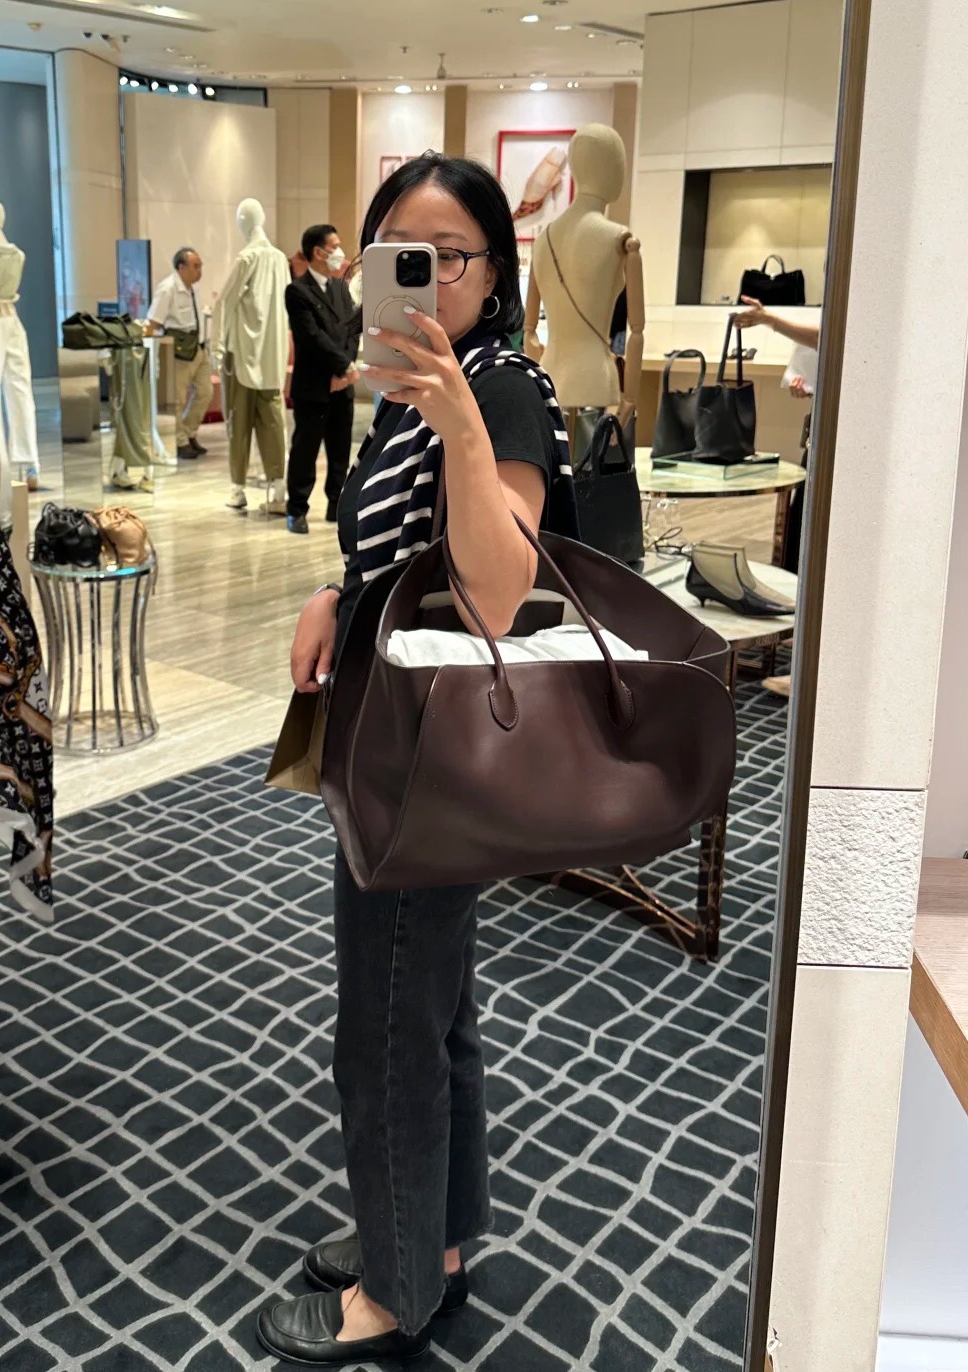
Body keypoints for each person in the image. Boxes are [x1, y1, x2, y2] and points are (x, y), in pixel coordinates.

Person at [257, 156, 578, 1366]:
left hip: (432, 753)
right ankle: (432, 1238)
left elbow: (498, 591)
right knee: (429, 1007)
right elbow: (392, 552)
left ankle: (394, 1294)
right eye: (399, 253)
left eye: (448, 257)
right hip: (386, 728)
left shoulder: (501, 388)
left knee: (388, 1022)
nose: (424, 276)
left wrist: (457, 426)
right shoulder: (405, 389)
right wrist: (331, 592)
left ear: (494, 274)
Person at [735, 295, 821, 697]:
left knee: (818, 549)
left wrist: (767, 319)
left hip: (843, 443)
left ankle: (810, 666)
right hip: (827, 434)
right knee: (805, 540)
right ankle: (805, 645)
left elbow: (832, 337)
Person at [284, 225, 359, 534]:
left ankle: (336, 506)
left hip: (342, 385)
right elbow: (311, 336)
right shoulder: (297, 291)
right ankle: (297, 509)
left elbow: (352, 329)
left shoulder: (341, 288)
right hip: (314, 386)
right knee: (306, 450)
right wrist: (341, 367)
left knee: (340, 451)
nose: (340, 252)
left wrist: (346, 369)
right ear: (318, 252)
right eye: (335, 246)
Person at [147, 246, 212, 461]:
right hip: (178, 351)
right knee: (177, 399)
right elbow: (153, 322)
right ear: (181, 267)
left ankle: (189, 431)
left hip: (198, 348)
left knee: (206, 392)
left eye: (200, 266)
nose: (199, 271)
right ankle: (180, 441)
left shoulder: (193, 289)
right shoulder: (167, 289)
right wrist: (153, 355)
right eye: (195, 266)